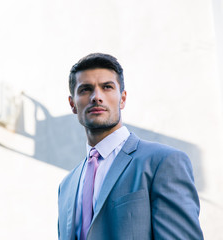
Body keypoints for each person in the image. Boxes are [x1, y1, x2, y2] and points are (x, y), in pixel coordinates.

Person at [57, 53, 203, 240]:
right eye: (85, 89)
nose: (96, 97)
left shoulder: (162, 162)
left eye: (107, 87)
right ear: (72, 104)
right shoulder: (66, 186)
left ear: (123, 99)